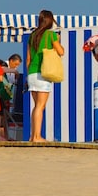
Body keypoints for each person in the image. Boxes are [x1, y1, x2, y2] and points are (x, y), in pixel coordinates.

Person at [26, 10, 64, 143]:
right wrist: (58, 40)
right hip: (43, 73)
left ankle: (33, 136)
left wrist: (28, 74)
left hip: (32, 72)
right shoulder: (51, 35)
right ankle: (37, 137)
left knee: (36, 106)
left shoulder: (32, 35)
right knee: (40, 106)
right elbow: (61, 51)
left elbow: (28, 59)